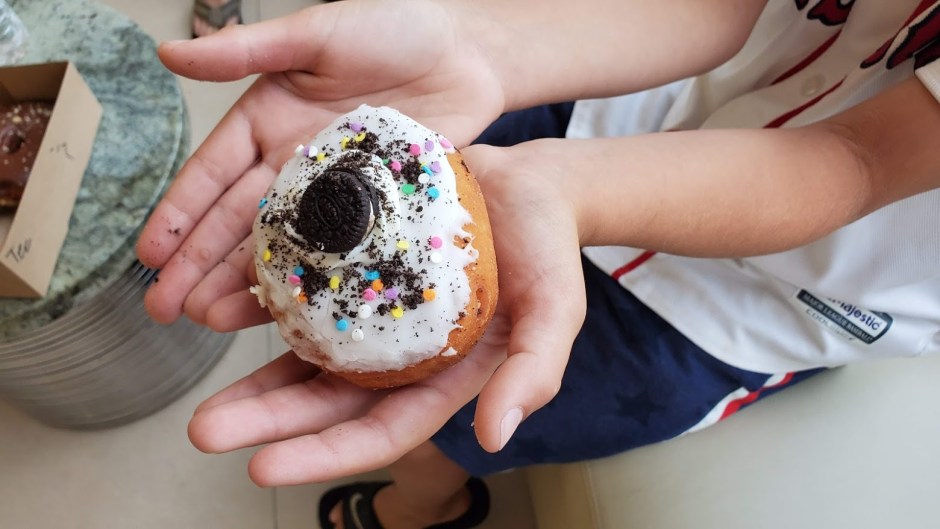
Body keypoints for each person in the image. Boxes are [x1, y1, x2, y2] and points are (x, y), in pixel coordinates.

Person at [136, 0, 940, 527]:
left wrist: (566, 189)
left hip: (780, 285)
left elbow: (854, 160)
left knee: (433, 429)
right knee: (382, 366)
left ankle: (425, 509)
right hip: (644, 101)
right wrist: (485, 48)